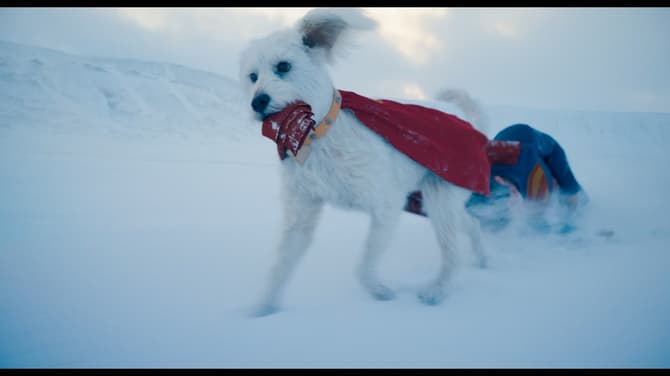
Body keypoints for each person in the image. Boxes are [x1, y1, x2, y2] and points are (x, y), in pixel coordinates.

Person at [465, 123, 588, 234]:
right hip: (508, 153)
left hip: (508, 153)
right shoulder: (481, 182)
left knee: (565, 195)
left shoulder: (539, 172)